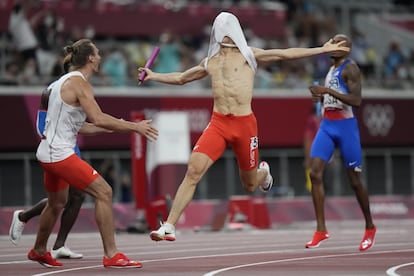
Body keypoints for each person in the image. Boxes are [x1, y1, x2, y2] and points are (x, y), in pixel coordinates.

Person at [138, 12, 350, 242]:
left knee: (249, 184)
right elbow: (181, 78)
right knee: (193, 170)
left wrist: (321, 49)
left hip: (244, 125)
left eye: (227, 27)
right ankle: (169, 225)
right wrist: (153, 75)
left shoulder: (249, 55)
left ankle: (263, 173)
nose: (223, 32)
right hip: (218, 123)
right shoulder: (211, 61)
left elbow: (284, 54)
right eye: (220, 28)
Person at [28, 38, 158, 268]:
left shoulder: (61, 83)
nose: (100, 57)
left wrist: (115, 125)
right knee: (104, 192)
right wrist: (134, 126)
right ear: (90, 58)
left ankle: (39, 250)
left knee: (57, 203)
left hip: (47, 153)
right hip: (59, 154)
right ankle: (111, 254)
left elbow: (83, 126)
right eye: (97, 54)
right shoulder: (80, 84)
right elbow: (98, 117)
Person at [305, 34, 376, 251]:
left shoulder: (350, 68)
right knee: (315, 173)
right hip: (327, 125)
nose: (332, 46)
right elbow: (334, 97)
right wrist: (321, 98)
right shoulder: (331, 68)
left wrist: (326, 91)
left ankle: (370, 227)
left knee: (354, 182)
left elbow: (356, 100)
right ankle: (321, 230)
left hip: (346, 128)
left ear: (346, 49)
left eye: (337, 44)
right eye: (331, 42)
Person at [9, 85, 88, 259]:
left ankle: (59, 245)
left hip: (71, 147)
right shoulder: (50, 92)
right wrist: (55, 137)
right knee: (60, 200)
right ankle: (24, 216)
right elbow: (40, 126)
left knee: (76, 197)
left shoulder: (81, 90)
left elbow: (78, 124)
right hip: (57, 150)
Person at [303, 101, 321, 192]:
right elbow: (307, 138)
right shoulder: (312, 120)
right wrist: (308, 155)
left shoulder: (322, 120)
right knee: (313, 172)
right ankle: (310, 188)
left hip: (321, 150)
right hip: (314, 151)